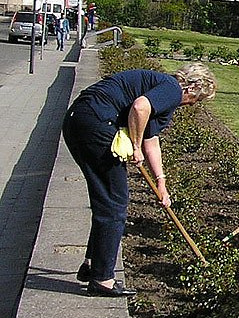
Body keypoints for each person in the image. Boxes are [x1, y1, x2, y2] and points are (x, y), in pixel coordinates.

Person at [62, 63, 217, 297]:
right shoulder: (172, 89)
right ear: (192, 87)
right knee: (114, 203)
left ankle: (93, 265)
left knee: (106, 198)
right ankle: (102, 279)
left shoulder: (160, 88)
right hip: (96, 123)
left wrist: (161, 182)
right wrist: (135, 146)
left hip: (78, 120)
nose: (193, 104)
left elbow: (151, 141)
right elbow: (139, 107)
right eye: (198, 99)